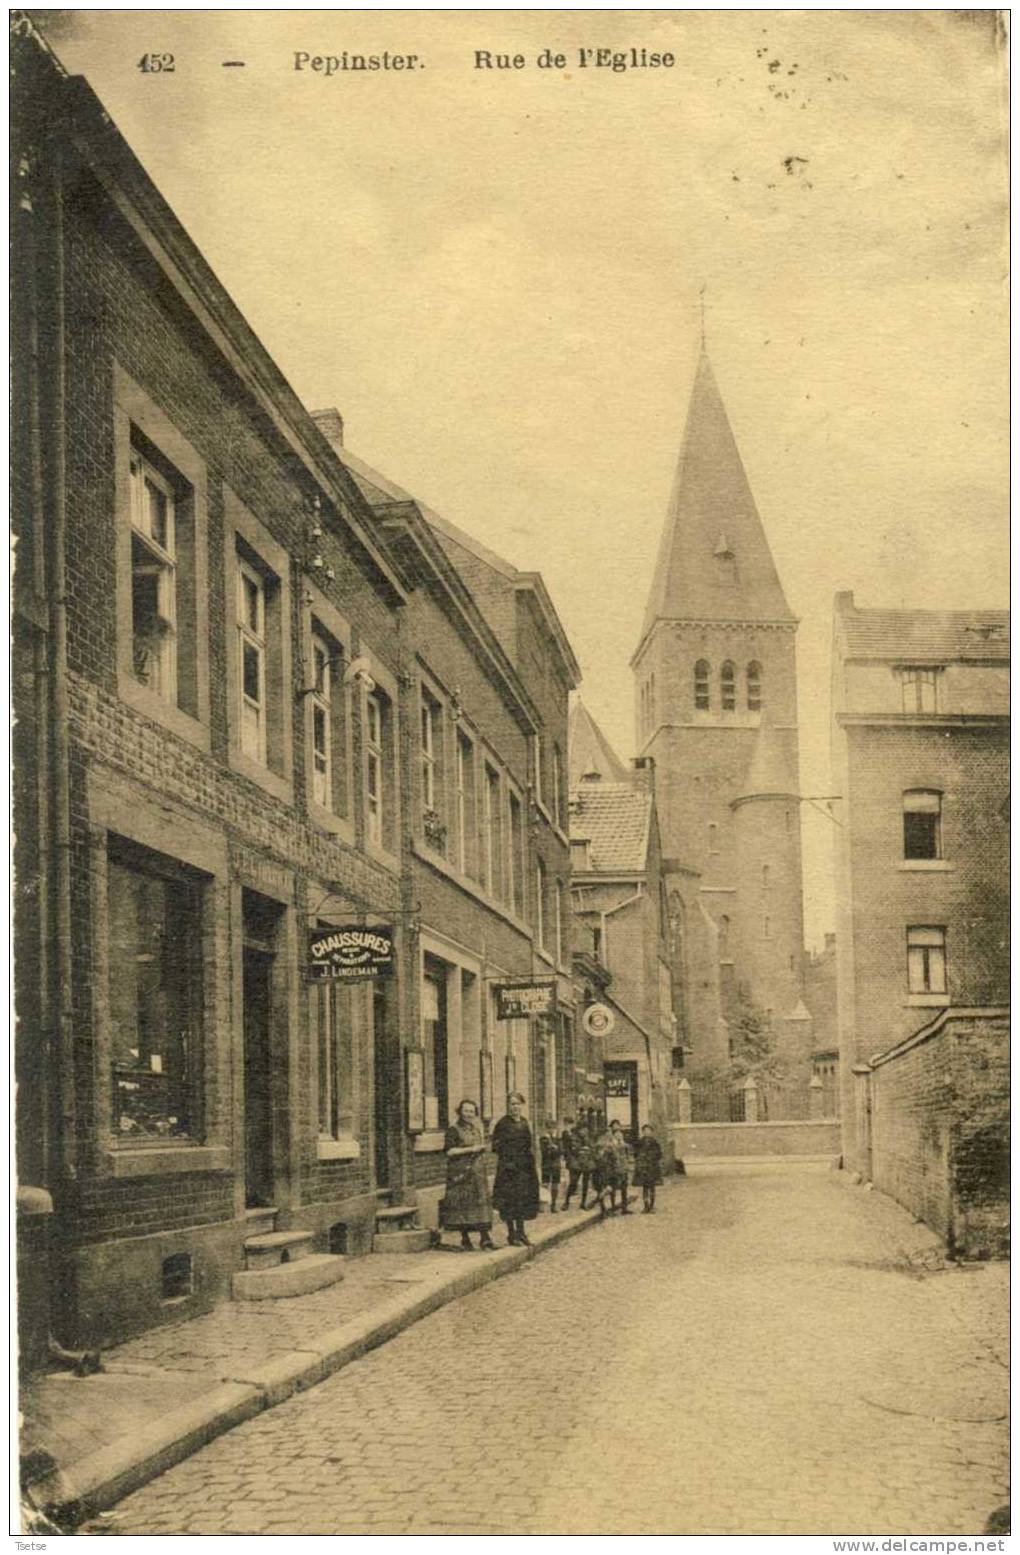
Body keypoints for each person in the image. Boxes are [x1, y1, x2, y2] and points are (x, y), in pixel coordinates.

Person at [441, 1099, 496, 1250]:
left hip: (477, 1174)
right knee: (463, 1206)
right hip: (461, 1173)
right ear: (460, 1112)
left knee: (480, 1205)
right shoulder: (453, 1130)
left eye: (472, 1111)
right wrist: (471, 1149)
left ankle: (485, 1239)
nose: (469, 1114)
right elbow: (450, 1151)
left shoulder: (476, 1129)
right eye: (466, 1111)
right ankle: (465, 1238)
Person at [491, 1091, 540, 1246]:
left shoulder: (525, 1123)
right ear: (508, 1106)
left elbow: (529, 1145)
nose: (515, 1107)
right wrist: (508, 1158)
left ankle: (522, 1232)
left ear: (522, 1105)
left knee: (522, 1200)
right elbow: (495, 1146)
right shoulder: (502, 1124)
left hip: (524, 1168)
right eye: (512, 1104)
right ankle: (512, 1235)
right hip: (508, 1169)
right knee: (510, 1201)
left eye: (517, 1104)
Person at [632, 1123, 664, 1213]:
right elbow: (635, 1154)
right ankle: (646, 1206)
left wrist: (653, 1157)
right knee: (645, 1187)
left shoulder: (655, 1142)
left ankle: (652, 1205)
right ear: (643, 1132)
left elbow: (659, 1154)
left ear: (651, 1132)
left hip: (652, 1167)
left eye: (649, 1130)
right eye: (645, 1130)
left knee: (652, 1187)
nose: (647, 1132)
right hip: (643, 1168)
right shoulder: (639, 1142)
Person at [538, 1119, 564, 1212]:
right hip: (546, 1164)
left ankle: (553, 1205)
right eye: (550, 1128)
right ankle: (543, 1204)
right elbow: (544, 1152)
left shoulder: (558, 1139)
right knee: (545, 1184)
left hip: (556, 1165)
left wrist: (554, 1148)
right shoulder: (543, 1139)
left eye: (554, 1128)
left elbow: (561, 1151)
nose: (552, 1130)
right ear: (547, 1129)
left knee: (555, 1184)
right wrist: (553, 1149)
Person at [609, 1118, 632, 1214]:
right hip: (614, 1164)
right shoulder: (610, 1137)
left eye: (618, 1125)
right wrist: (623, 1145)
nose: (617, 1127)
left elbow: (625, 1150)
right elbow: (613, 1148)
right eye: (615, 1125)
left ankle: (624, 1208)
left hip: (622, 1164)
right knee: (613, 1186)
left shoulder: (621, 1136)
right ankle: (613, 1207)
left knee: (624, 1186)